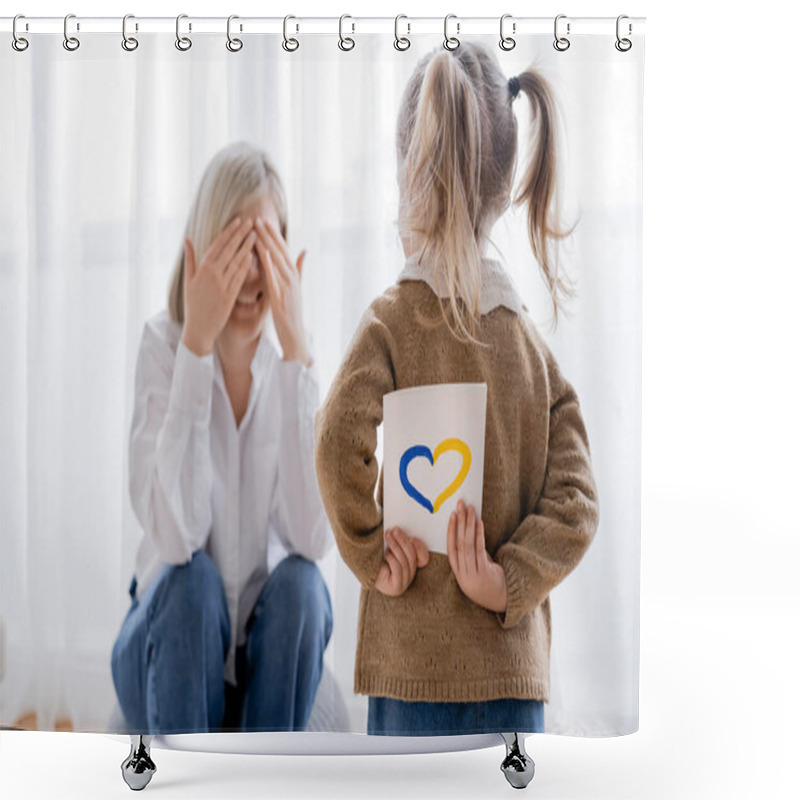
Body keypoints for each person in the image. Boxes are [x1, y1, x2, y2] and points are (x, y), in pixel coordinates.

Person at [314, 43, 599, 736]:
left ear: (410, 169)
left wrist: (371, 552)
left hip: (411, 667)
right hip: (510, 671)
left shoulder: (390, 320)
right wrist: (508, 582)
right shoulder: (532, 350)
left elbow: (333, 444)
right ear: (503, 188)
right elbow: (578, 501)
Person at [111, 141, 333, 735]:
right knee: (193, 581)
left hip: (257, 657)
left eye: (263, 247)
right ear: (202, 252)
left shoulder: (294, 365)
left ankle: (262, 781)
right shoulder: (162, 347)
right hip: (165, 638)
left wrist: (296, 357)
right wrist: (196, 351)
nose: (250, 273)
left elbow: (313, 536)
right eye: (235, 247)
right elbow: (176, 539)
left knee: (304, 586)